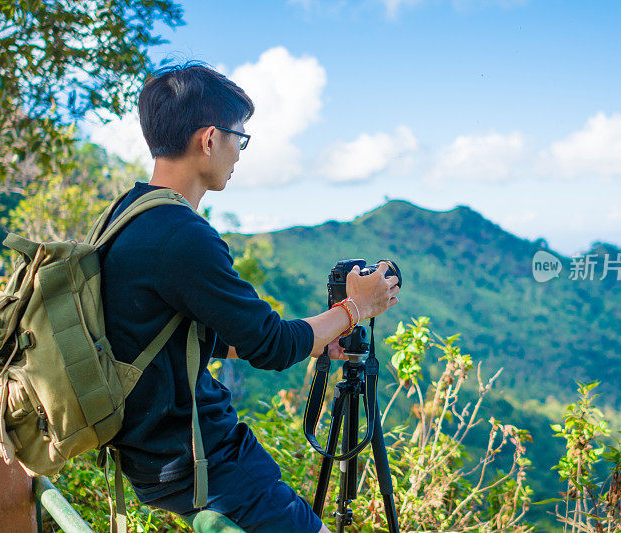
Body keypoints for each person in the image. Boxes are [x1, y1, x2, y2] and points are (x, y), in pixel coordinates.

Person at [100, 62, 400, 533]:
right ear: (209, 140)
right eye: (240, 138)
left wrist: (320, 335)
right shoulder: (183, 236)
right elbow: (271, 347)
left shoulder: (125, 215)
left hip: (149, 455)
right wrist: (356, 308)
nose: (240, 153)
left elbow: (175, 329)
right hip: (204, 462)